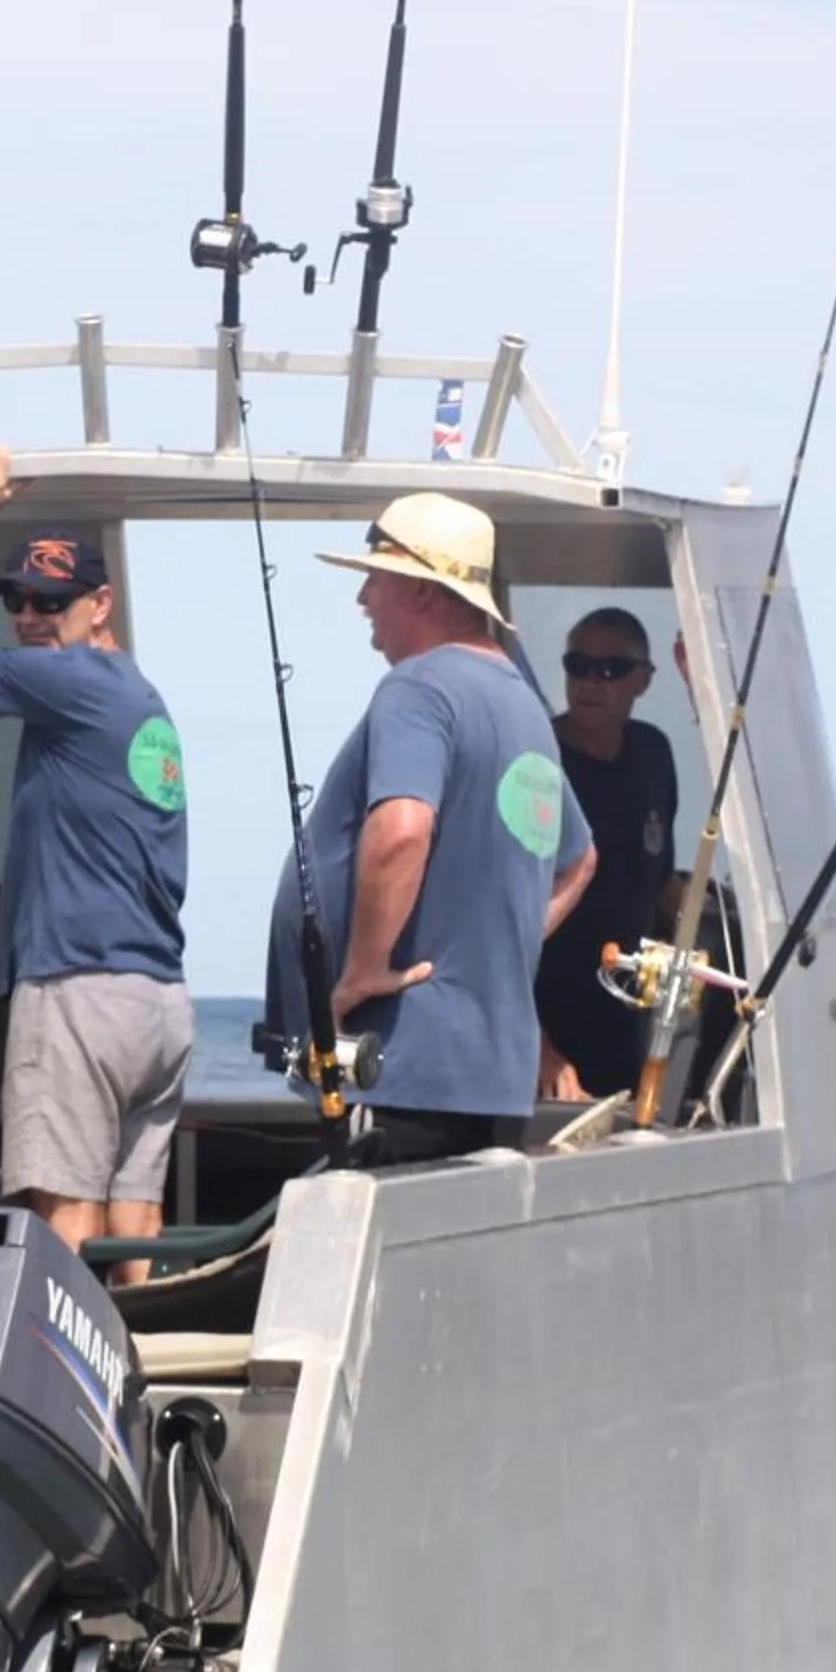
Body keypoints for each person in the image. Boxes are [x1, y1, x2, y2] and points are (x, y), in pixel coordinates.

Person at [0, 443, 191, 1282]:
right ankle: (136, 1380)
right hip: (159, 1003)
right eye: (19, 600)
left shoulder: (74, 684)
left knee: (60, 1221)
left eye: (52, 602)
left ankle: (67, 1402)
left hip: (77, 993)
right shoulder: (137, 694)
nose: (30, 617)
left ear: (101, 605)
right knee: (135, 1226)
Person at [264, 491, 597, 1166]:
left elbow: (403, 831)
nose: (363, 597)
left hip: (405, 1070)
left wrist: (359, 972)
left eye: (375, 578)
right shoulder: (524, 706)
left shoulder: (419, 688)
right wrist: (500, 949)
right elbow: (580, 859)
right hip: (492, 1080)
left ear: (421, 590)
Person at [535, 606, 686, 1101]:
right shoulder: (536, 766)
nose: (590, 681)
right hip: (547, 1026)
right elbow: (490, 922)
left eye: (610, 669)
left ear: (643, 680)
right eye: (577, 666)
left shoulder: (652, 754)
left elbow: (656, 880)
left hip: (626, 1019)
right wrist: (539, 1050)